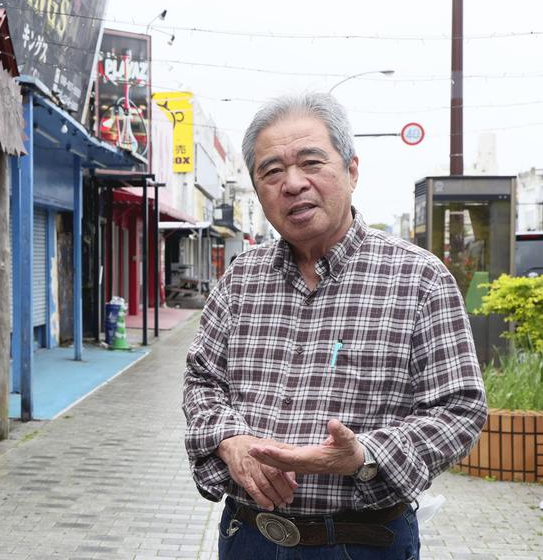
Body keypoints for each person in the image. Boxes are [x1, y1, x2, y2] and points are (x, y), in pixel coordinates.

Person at [182, 93, 487, 559]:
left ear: (352, 170)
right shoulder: (241, 277)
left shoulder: (418, 278)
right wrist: (230, 439)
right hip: (248, 537)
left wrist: (365, 457)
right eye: (271, 171)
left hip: (363, 542)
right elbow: (202, 380)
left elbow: (459, 410)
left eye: (311, 162)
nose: (293, 183)